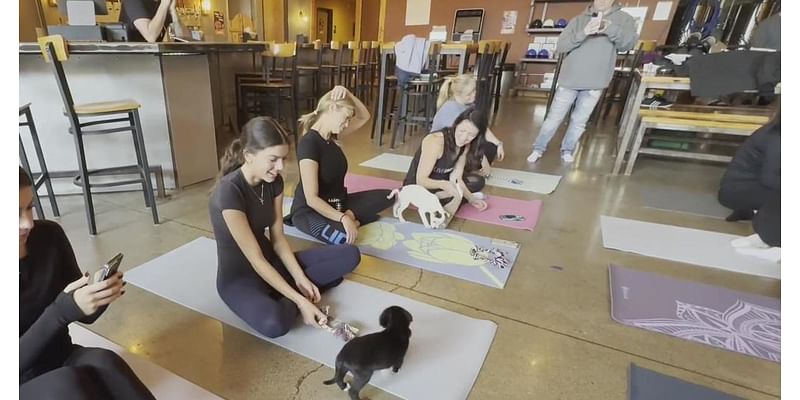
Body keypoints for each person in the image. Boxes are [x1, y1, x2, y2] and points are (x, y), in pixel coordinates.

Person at [209, 117, 360, 339]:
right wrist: (300, 301)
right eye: (273, 159)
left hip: (275, 264)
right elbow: (256, 259)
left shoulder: (274, 182)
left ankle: (290, 288)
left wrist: (299, 277)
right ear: (249, 155)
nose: (280, 167)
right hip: (240, 279)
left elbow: (278, 239)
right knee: (275, 324)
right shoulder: (228, 193)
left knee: (350, 254)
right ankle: (294, 295)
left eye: (283, 159)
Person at [19, 167, 154, 399]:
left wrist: (99, 295)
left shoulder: (49, 236)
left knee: (106, 362)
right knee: (66, 383)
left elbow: (84, 316)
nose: (28, 223)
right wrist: (60, 312)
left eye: (30, 207)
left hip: (61, 357)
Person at [527, 0, 638, 164]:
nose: (602, 1)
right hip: (570, 79)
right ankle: (538, 148)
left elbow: (627, 44)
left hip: (595, 81)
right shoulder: (578, 20)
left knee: (579, 121)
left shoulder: (624, 19)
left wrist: (609, 28)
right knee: (553, 118)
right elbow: (561, 46)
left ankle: (567, 150)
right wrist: (584, 32)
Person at [285, 86, 394, 245]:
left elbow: (365, 116)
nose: (347, 123)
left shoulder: (332, 136)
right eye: (347, 117)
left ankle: (349, 218)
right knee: (343, 238)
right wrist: (343, 218)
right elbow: (312, 199)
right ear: (332, 108)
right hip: (309, 211)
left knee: (390, 195)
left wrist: (347, 93)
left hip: (338, 204)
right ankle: (350, 220)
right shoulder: (309, 143)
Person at [403, 108, 490, 227]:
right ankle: (441, 201)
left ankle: (444, 198)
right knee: (457, 191)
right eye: (462, 131)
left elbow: (456, 178)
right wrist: (444, 185)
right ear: (456, 125)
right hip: (420, 185)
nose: (464, 138)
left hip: (443, 181)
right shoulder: (435, 141)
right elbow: (421, 180)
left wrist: (471, 199)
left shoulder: (466, 145)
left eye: (471, 135)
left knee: (478, 181)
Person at [718, 113, 780, 261]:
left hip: (756, 187)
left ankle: (766, 238)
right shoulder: (778, 135)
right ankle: (775, 244)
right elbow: (770, 179)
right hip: (739, 190)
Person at [432, 74, 505, 177]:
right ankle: (467, 171)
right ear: (458, 94)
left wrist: (498, 144)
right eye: (469, 94)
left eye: (474, 91)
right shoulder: (451, 108)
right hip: (445, 150)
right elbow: (462, 141)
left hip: (458, 145)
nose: (474, 95)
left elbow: (481, 127)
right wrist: (483, 160)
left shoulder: (468, 105)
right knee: (479, 151)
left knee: (491, 146)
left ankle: (472, 169)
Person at [120, 0, 188, 43]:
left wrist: (173, 11)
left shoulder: (161, 3)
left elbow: (184, 38)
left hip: (153, 58)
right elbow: (151, 37)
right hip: (133, 59)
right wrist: (164, 4)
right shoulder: (133, 2)